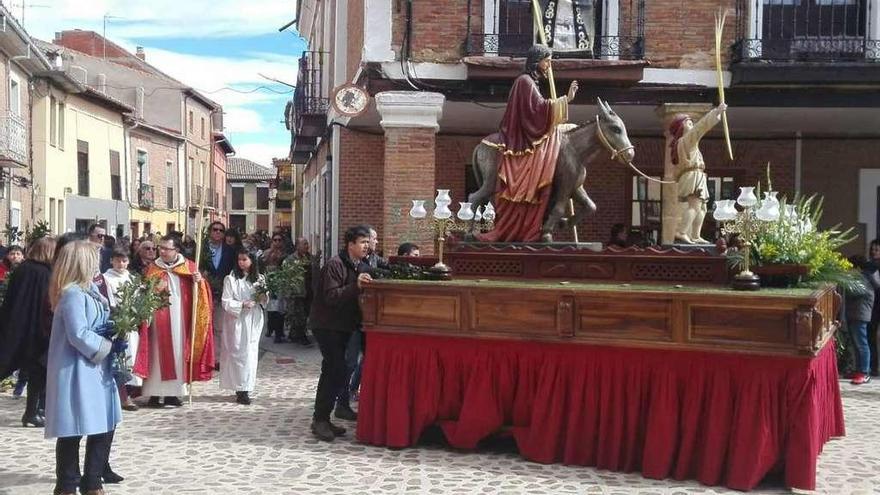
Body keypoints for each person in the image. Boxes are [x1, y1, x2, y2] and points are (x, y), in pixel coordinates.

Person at [45, 240, 124, 495]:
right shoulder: (71, 294)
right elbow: (78, 333)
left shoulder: (90, 291)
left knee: (103, 425)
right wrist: (105, 345)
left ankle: (93, 481)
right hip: (77, 369)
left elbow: (100, 323)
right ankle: (67, 484)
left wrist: (120, 327)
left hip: (96, 370)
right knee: (73, 428)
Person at [477, 45, 578, 242]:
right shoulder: (524, 82)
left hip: (529, 136)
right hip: (522, 140)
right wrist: (567, 100)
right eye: (546, 60)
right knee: (545, 157)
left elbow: (539, 109)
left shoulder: (531, 82)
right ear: (536, 60)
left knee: (552, 145)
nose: (549, 65)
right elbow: (536, 112)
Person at [134, 235, 214, 408]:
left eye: (166, 249)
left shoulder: (189, 267)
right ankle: (154, 394)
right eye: (160, 248)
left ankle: (174, 394)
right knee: (156, 356)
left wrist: (199, 282)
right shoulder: (153, 268)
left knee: (178, 353)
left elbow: (201, 293)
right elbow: (145, 291)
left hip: (180, 318)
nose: (161, 251)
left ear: (176, 250)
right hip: (157, 319)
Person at [309, 225, 372, 441]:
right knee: (334, 370)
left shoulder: (361, 265)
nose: (367, 246)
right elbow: (331, 297)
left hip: (345, 326)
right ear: (350, 244)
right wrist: (356, 286)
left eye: (368, 242)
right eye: (362, 242)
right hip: (327, 326)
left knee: (336, 371)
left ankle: (324, 418)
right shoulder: (334, 265)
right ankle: (320, 420)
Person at [0, 236, 56, 428]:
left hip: (16, 325)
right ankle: (32, 412)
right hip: (35, 329)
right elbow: (44, 304)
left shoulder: (23, 268)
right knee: (37, 371)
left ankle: (34, 411)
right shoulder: (42, 273)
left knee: (14, 366)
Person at [668, 104, 727, 244]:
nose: (692, 125)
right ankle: (681, 232)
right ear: (681, 128)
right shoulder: (686, 140)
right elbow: (701, 127)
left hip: (696, 174)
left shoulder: (680, 144)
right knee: (694, 206)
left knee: (702, 207)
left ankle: (695, 235)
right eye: (689, 123)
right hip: (692, 174)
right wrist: (716, 112)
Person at [220, 249, 266, 405]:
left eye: (244, 259)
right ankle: (239, 388)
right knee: (238, 353)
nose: (241, 262)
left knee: (250, 354)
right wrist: (241, 304)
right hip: (237, 320)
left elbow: (264, 301)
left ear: (252, 261)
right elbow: (225, 301)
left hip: (253, 320)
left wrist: (262, 297)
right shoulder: (231, 279)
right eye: (239, 259)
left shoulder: (259, 279)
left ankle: (246, 388)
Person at [96, 250, 139, 411]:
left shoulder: (132, 279)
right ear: (112, 261)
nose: (121, 264)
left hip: (131, 323)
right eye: (118, 261)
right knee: (118, 359)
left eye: (124, 261)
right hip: (115, 322)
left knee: (130, 359)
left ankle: (128, 393)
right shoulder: (105, 279)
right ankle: (119, 396)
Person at [201, 221, 236, 364]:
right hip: (204, 291)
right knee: (204, 325)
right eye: (215, 229)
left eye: (221, 230)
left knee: (219, 327)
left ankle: (217, 358)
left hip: (222, 291)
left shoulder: (229, 250)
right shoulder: (202, 249)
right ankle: (204, 356)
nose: (218, 232)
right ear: (210, 231)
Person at [847, 255, 880, 384]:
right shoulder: (861, 277)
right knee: (857, 344)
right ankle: (859, 369)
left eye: (849, 268)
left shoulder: (863, 278)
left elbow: (854, 292)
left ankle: (864, 372)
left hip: (860, 315)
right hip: (855, 314)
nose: (847, 271)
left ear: (857, 268)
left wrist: (844, 283)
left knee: (862, 344)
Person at [284, 237, 314, 347]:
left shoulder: (309, 258)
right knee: (298, 314)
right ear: (297, 246)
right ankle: (302, 336)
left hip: (308, 290)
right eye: (304, 244)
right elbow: (287, 276)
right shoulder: (291, 259)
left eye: (307, 244)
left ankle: (294, 334)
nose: (307, 246)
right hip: (296, 292)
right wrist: (289, 292)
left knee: (305, 313)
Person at [262, 232, 290, 343]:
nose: (277, 242)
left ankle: (279, 332)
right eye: (275, 240)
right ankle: (270, 328)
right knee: (271, 308)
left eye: (279, 240)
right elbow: (262, 264)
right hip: (270, 283)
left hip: (281, 284)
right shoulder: (267, 252)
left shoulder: (285, 254)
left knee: (280, 309)